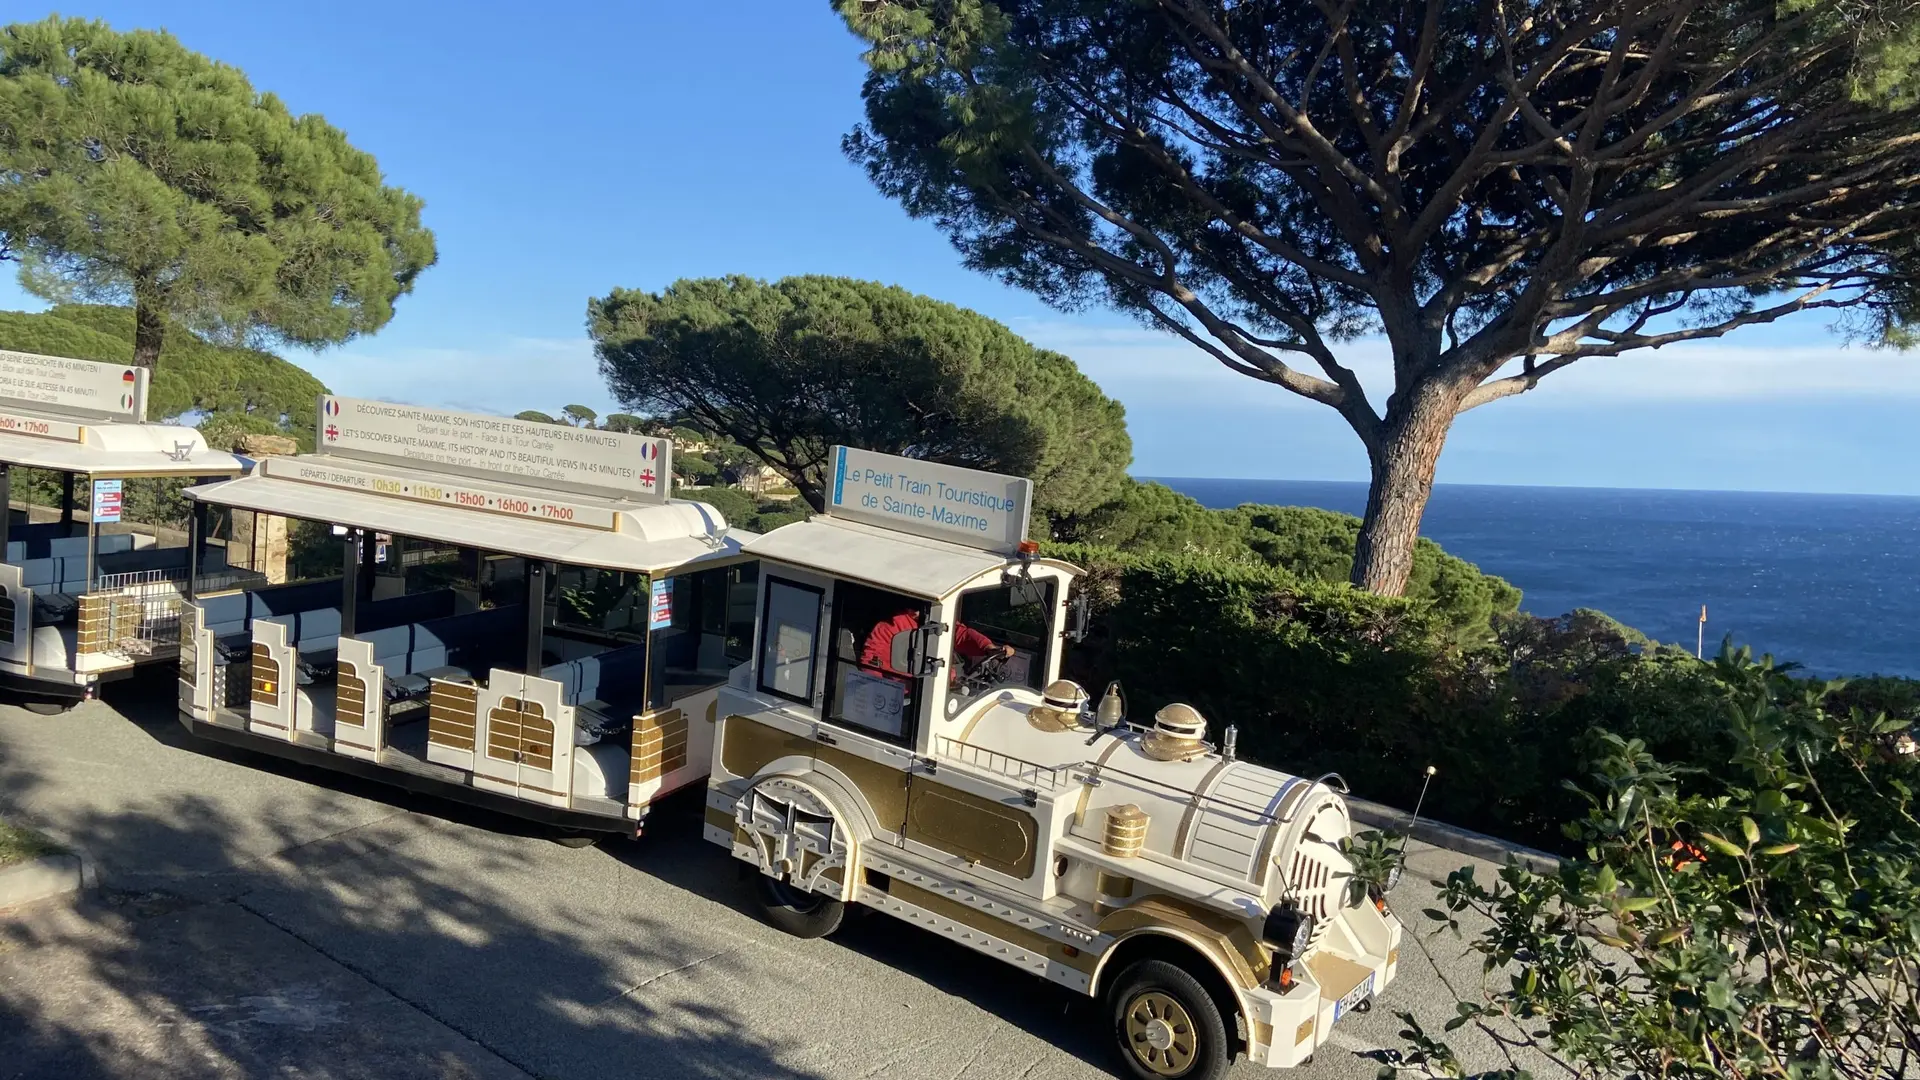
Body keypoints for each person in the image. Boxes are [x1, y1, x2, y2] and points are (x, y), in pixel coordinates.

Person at [861, 608, 1013, 679]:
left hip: (945, 686)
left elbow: (960, 634)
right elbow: (871, 665)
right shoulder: (890, 628)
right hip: (909, 696)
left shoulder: (934, 618)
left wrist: (987, 647)